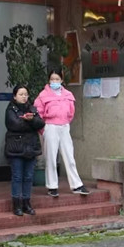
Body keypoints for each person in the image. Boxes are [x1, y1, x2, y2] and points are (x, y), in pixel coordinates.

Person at [33, 69, 90, 197]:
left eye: (57, 79)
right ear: (49, 80)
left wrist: (65, 123)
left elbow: (71, 112)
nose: (54, 81)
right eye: (52, 79)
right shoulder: (43, 95)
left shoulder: (68, 94)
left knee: (69, 156)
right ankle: (52, 186)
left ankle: (76, 185)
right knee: (51, 158)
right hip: (50, 126)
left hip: (64, 126)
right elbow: (38, 114)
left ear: (61, 80)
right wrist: (43, 129)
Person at [4, 85, 45, 216]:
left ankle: (27, 203)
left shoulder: (32, 108)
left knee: (28, 177)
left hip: (30, 147)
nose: (24, 97)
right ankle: (16, 204)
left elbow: (41, 123)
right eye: (21, 94)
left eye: (26, 94)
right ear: (15, 96)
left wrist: (32, 120)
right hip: (16, 148)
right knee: (17, 176)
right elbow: (14, 125)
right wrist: (30, 123)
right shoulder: (11, 109)